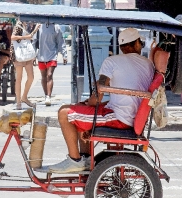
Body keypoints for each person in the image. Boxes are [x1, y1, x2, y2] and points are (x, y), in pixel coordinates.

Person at [48, 28, 154, 173]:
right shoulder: (148, 64)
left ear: (122, 47)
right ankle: (86, 158)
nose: (141, 46)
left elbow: (99, 93)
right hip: (130, 115)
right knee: (81, 112)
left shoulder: (112, 61)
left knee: (64, 113)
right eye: (141, 43)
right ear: (136, 44)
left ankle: (75, 161)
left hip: (120, 118)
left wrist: (89, 103)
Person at [11, 21, 40, 109]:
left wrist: (35, 30)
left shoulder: (30, 25)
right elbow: (13, 37)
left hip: (27, 55)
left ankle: (24, 97)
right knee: (19, 79)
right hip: (19, 55)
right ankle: (18, 102)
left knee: (31, 77)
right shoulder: (19, 25)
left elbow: (33, 40)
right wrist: (25, 37)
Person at [36, 22, 67, 106]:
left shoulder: (56, 27)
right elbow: (34, 40)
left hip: (52, 55)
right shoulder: (39, 26)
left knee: (49, 75)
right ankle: (46, 95)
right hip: (41, 55)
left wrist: (64, 55)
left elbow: (61, 42)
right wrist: (33, 55)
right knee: (43, 76)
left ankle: (48, 96)